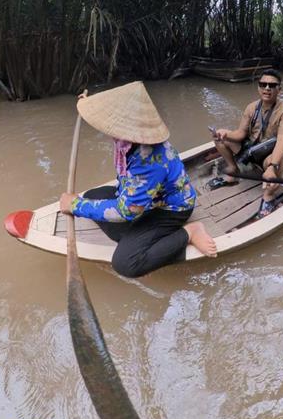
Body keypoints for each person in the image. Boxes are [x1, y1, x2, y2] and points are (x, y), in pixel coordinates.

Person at [59, 81, 217, 278]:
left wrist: (75, 206)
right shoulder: (128, 138)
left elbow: (127, 211)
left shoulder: (147, 160)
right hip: (146, 198)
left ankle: (189, 233)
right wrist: (87, 104)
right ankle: (138, 236)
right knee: (93, 195)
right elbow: (102, 113)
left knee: (125, 263)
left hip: (170, 208)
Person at [209, 69, 283, 218]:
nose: (267, 88)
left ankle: (268, 196)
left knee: (276, 163)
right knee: (219, 139)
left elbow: (282, 140)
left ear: (279, 89)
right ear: (258, 88)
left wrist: (273, 167)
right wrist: (225, 133)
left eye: (272, 85)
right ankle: (233, 171)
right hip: (251, 148)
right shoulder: (251, 107)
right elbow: (241, 133)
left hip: (271, 152)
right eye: (263, 84)